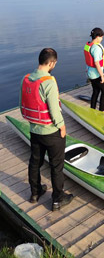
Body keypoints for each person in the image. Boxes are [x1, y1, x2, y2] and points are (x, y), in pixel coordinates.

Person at [20, 48, 73, 211]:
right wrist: (62, 127)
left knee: (35, 161)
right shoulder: (48, 82)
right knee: (56, 166)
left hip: (35, 130)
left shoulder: (27, 78)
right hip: (51, 132)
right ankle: (57, 199)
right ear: (51, 63)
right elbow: (54, 110)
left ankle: (35, 193)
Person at [83, 27, 104, 111]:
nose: (102, 38)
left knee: (96, 91)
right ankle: (101, 110)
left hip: (90, 73)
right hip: (96, 74)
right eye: (101, 36)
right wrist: (102, 75)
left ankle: (92, 109)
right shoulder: (96, 48)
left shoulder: (89, 45)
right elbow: (97, 63)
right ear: (97, 36)